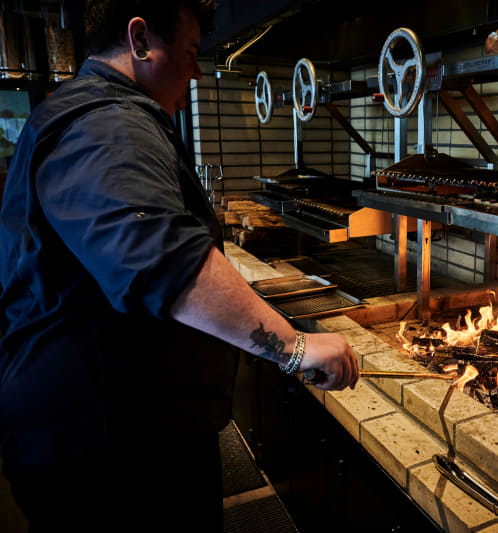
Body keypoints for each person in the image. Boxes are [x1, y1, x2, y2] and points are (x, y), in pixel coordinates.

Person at [0, 1, 359, 531]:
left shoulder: (94, 111)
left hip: (112, 429)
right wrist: (294, 347)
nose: (195, 72)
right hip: (108, 450)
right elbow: (161, 257)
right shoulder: (108, 122)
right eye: (190, 53)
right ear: (140, 39)